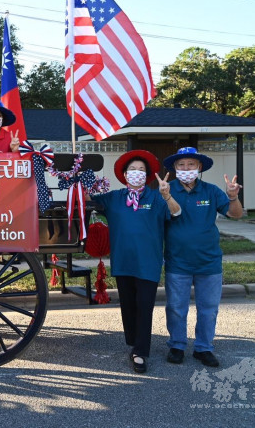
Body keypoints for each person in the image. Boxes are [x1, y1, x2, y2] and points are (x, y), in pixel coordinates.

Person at [89, 150, 179, 373]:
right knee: (128, 306)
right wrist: (78, 180)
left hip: (148, 262)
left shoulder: (156, 197)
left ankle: (140, 351)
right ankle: (133, 342)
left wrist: (167, 195)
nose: (136, 173)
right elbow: (89, 200)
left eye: (141, 170)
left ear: (147, 175)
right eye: (132, 170)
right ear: (125, 174)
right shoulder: (115, 198)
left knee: (144, 306)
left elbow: (176, 213)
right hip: (123, 261)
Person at [163, 147, 244, 368]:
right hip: (177, 261)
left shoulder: (212, 191)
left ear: (199, 167)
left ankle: (203, 348)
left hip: (209, 262)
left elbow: (235, 214)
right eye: (181, 165)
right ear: (175, 168)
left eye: (191, 164)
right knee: (176, 308)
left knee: (208, 309)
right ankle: (177, 345)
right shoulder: (165, 191)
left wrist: (233, 197)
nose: (186, 168)